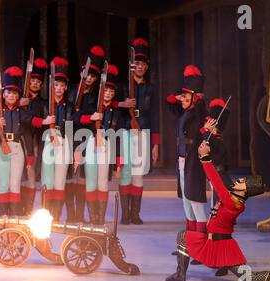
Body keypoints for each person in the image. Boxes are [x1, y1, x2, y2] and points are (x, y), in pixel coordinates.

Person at [165, 140, 270, 281]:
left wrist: (205, 159)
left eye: (241, 181)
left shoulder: (233, 202)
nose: (238, 181)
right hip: (210, 242)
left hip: (223, 247)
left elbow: (216, 182)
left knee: (250, 279)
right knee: (183, 236)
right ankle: (180, 274)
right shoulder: (232, 199)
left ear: (244, 190)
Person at [117, 38, 160, 225]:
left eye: (143, 64)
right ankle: (125, 214)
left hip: (143, 132)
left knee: (138, 173)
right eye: (137, 64)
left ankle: (135, 214)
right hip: (126, 130)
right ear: (132, 66)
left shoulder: (151, 88)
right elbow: (109, 105)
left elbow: (156, 115)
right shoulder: (123, 86)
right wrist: (122, 103)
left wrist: (155, 144)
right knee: (126, 171)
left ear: (147, 67)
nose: (140, 67)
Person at [0, 66, 34, 215]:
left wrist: (46, 121)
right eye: (8, 92)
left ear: (18, 96)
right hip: (2, 150)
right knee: (3, 184)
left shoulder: (21, 112)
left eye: (14, 93)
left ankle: (14, 216)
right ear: (3, 94)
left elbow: (31, 124)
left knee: (15, 184)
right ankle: (3, 215)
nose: (11, 95)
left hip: (17, 149)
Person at [166, 65, 207, 236]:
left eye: (185, 96)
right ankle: (190, 242)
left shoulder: (198, 113)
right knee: (186, 202)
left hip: (194, 163)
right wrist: (183, 94)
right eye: (181, 96)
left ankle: (200, 243)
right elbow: (169, 100)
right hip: (182, 161)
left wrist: (195, 96)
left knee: (195, 202)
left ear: (195, 98)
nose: (181, 99)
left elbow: (200, 110)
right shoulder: (183, 112)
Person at [68, 45, 105, 223]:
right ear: (82, 72)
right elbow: (70, 116)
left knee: (83, 178)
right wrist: (89, 117)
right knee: (71, 177)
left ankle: (82, 214)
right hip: (71, 136)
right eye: (87, 74)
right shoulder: (72, 91)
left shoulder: (97, 94)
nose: (89, 78)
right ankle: (71, 214)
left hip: (88, 138)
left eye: (92, 76)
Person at [84, 64, 126, 225]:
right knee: (91, 182)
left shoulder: (115, 113)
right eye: (106, 91)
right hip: (90, 145)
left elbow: (119, 138)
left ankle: (100, 218)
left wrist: (119, 162)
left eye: (111, 92)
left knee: (102, 183)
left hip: (107, 148)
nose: (108, 94)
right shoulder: (91, 106)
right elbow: (78, 122)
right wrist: (92, 121)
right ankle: (92, 217)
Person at [38, 57, 73, 221]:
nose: (58, 88)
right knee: (47, 180)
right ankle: (47, 215)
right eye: (55, 85)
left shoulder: (70, 107)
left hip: (64, 142)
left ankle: (57, 217)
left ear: (65, 88)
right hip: (48, 141)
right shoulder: (44, 105)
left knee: (60, 181)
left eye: (61, 85)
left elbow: (72, 129)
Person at [19, 58, 49, 216]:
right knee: (17, 177)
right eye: (33, 80)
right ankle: (17, 210)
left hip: (35, 143)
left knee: (30, 177)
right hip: (19, 142)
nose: (35, 84)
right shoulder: (18, 99)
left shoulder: (43, 103)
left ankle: (28, 211)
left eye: (39, 81)